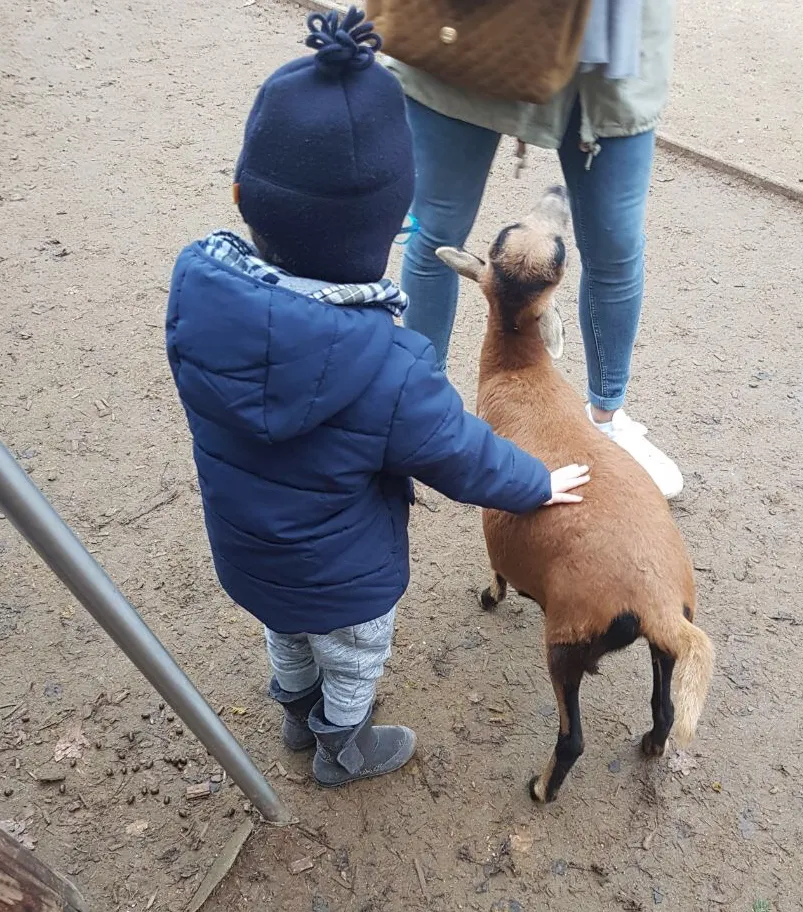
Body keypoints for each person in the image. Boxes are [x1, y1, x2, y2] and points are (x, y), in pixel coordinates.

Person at [165, 9, 589, 789]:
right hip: (347, 577)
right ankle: (342, 746)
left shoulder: (194, 298)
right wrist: (538, 481)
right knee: (353, 654)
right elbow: (459, 454)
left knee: (286, 633)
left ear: (237, 194)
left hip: (247, 553)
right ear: (394, 224)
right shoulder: (387, 363)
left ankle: (296, 715)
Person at [388, 0, 684, 499]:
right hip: (468, 28)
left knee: (616, 246)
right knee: (435, 235)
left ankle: (606, 416)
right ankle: (423, 416)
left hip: (606, 48)